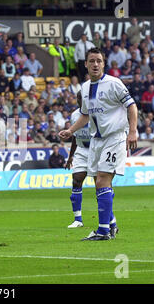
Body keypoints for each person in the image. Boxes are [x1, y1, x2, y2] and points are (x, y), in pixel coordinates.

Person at [59, 48, 138, 241]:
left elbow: (131, 106)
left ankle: (103, 231)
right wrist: (71, 130)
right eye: (92, 61)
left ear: (104, 64)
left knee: (102, 179)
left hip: (115, 137)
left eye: (99, 61)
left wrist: (133, 131)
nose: (95, 64)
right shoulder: (85, 88)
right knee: (99, 182)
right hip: (96, 140)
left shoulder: (114, 83)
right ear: (85, 64)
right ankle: (111, 225)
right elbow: (85, 115)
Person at [65, 92, 90, 228]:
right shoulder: (75, 115)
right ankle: (78, 219)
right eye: (79, 98)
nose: (81, 100)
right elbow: (74, 136)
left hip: (96, 149)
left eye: (83, 98)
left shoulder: (96, 112)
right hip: (81, 149)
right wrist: (70, 157)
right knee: (76, 180)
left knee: (101, 183)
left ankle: (109, 218)